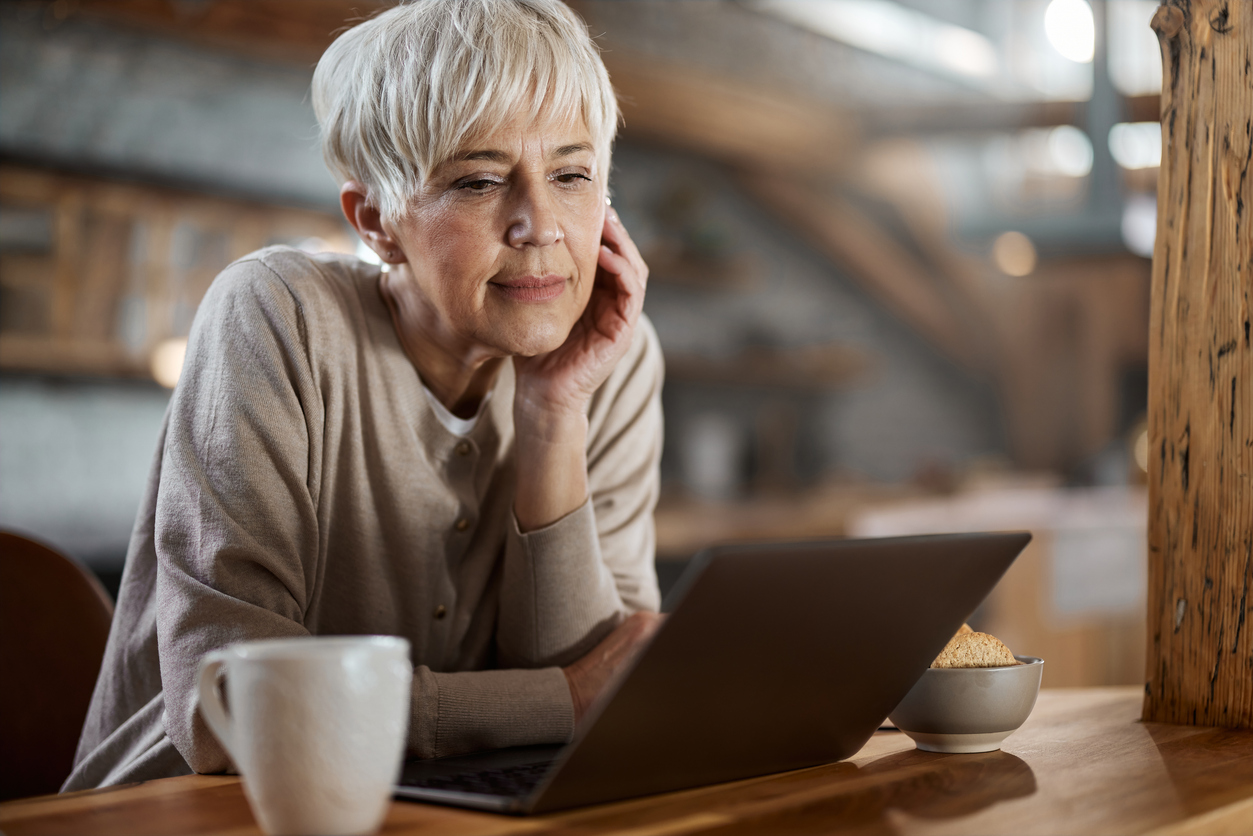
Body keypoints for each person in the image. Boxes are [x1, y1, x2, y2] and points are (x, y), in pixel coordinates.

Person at [63, 0, 663, 791]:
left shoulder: (610, 353)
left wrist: (553, 414)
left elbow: (605, 686)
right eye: (480, 180)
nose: (539, 224)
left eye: (572, 174)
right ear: (376, 220)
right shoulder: (277, 313)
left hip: (442, 813)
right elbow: (231, 710)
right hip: (193, 812)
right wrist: (559, 701)